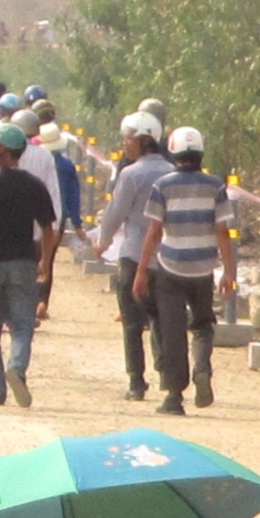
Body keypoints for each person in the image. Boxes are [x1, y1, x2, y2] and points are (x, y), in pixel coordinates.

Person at [136, 125, 232, 415]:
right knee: (203, 325)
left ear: (173, 152)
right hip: (203, 268)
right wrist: (229, 272)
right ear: (200, 152)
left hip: (170, 267)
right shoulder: (216, 186)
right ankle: (202, 369)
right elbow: (223, 231)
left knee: (172, 331)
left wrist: (141, 271)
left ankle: (174, 397)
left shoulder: (163, 186)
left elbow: (154, 231)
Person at [0, 123, 57, 407]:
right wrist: (46, 261)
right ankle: (16, 367)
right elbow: (48, 228)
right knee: (21, 325)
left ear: (2, 150)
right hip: (23, 263)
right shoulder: (34, 185)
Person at [101, 115, 174, 402]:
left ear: (144, 139)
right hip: (165, 258)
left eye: (129, 138)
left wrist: (104, 240)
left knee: (132, 322)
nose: (125, 144)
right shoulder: (172, 173)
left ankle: (136, 381)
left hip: (133, 255)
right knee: (161, 317)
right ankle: (166, 372)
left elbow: (116, 212)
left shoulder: (130, 175)